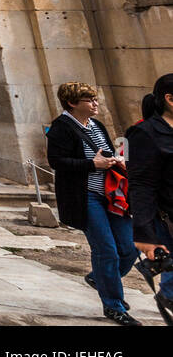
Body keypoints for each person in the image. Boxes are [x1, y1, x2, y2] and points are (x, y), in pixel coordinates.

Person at [47, 81, 141, 326]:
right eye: (90, 100)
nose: (95, 104)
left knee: (130, 247)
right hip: (85, 197)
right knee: (106, 251)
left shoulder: (96, 125)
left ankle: (99, 278)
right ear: (72, 103)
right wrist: (92, 165)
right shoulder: (61, 127)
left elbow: (106, 154)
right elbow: (57, 161)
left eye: (95, 99)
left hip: (110, 195)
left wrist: (116, 161)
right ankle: (113, 306)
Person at [128, 73, 173, 325]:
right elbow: (142, 186)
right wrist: (144, 236)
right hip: (167, 219)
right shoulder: (145, 133)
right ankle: (168, 294)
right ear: (170, 99)